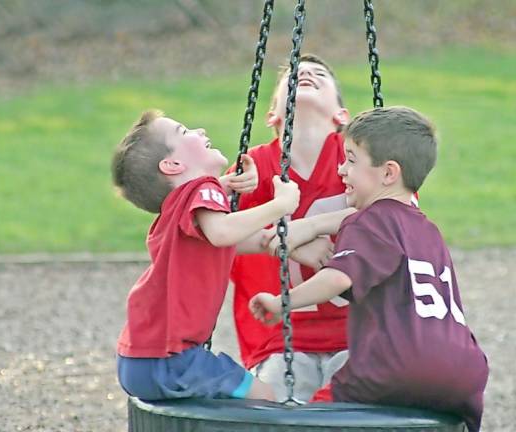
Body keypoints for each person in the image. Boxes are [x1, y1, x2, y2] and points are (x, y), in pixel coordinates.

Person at [250, 106, 489, 431]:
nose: (341, 169)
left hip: (399, 363)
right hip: (465, 370)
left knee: (309, 421)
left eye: (350, 159)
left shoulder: (370, 220)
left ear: (389, 173)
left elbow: (337, 277)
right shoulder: (427, 229)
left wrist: (282, 303)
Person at [111, 109, 300, 402]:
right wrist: (281, 205)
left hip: (139, 359)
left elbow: (234, 237)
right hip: (171, 358)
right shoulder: (202, 190)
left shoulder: (178, 207)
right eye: (185, 132)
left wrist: (227, 187)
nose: (199, 130)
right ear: (172, 164)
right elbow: (222, 232)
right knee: (264, 397)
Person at [228, 53, 352, 402]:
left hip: (360, 334)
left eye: (320, 75)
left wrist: (307, 228)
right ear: (273, 115)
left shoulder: (360, 158)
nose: (307, 73)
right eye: (295, 75)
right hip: (280, 340)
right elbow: (218, 235)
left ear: (341, 115)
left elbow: (396, 214)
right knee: (273, 410)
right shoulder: (254, 168)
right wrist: (286, 241)